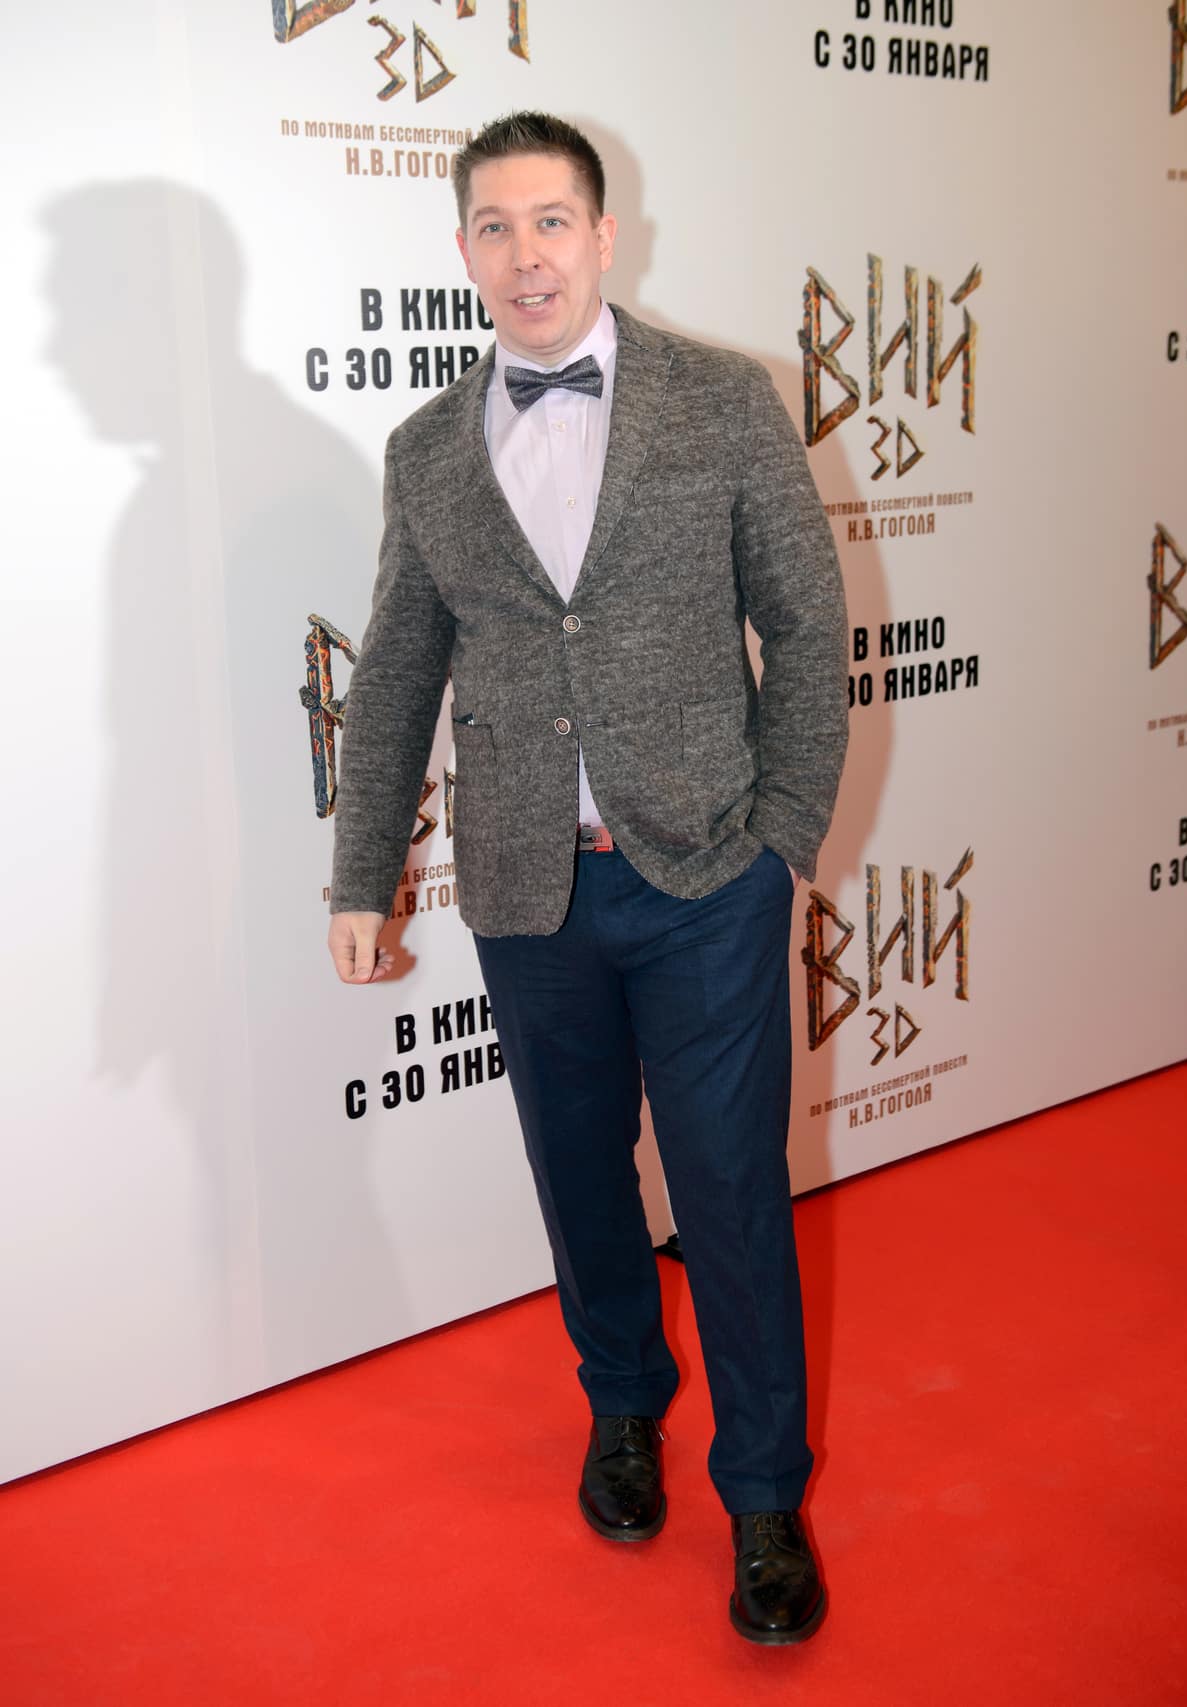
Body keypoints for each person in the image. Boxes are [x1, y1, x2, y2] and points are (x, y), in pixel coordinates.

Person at [327, 111, 848, 1645]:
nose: (525, 255)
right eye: (493, 228)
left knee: (729, 1192)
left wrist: (781, 837)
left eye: (550, 221)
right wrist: (361, 878)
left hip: (704, 878)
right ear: (463, 252)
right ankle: (622, 1404)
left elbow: (805, 628)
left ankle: (762, 1496)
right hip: (523, 889)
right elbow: (394, 677)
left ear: (604, 236)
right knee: (577, 1177)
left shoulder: (721, 401)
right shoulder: (427, 448)